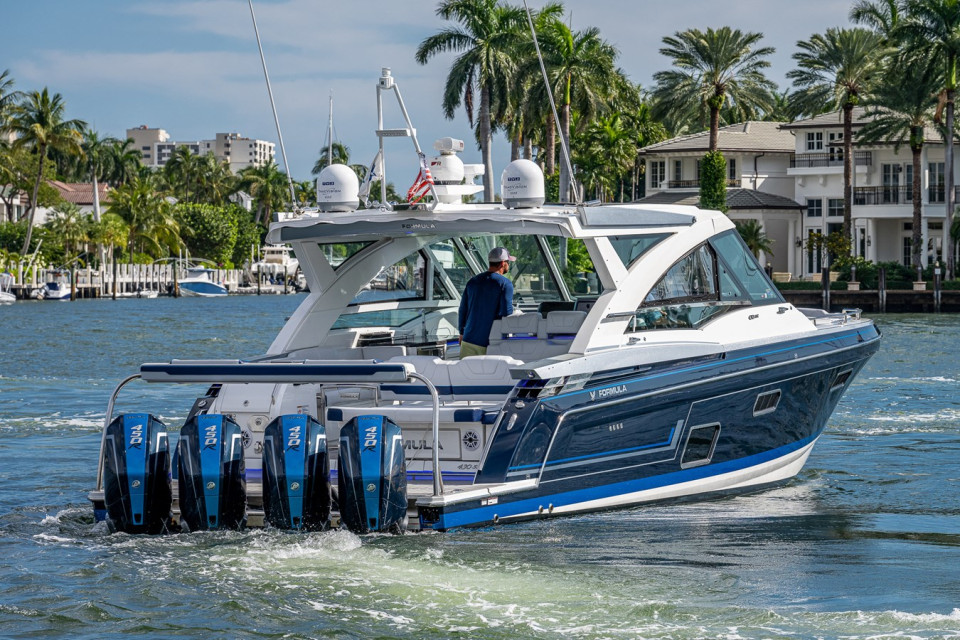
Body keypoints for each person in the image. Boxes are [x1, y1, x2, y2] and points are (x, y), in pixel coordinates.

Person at [458, 247, 515, 358]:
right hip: (490, 342)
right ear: (503, 263)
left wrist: (461, 332)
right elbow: (506, 312)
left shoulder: (472, 281)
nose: (509, 265)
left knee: (465, 374)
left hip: (468, 340)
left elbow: (463, 309)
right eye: (508, 262)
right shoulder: (505, 284)